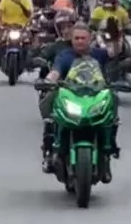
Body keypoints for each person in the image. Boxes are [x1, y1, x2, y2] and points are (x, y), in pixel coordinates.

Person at [40, 23, 116, 178]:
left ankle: (107, 152)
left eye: (83, 38)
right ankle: (50, 151)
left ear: (90, 39)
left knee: (113, 107)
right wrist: (48, 81)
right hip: (71, 95)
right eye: (76, 38)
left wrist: (115, 38)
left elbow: (114, 53)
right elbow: (55, 72)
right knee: (49, 110)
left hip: (95, 95)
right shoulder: (64, 56)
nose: (79, 41)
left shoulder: (99, 54)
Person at [0, 0, 32, 70]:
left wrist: (20, 4)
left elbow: (28, 14)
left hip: (22, 28)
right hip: (7, 27)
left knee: (27, 44)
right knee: (1, 43)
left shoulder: (24, 0)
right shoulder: (5, 0)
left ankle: (27, 63)